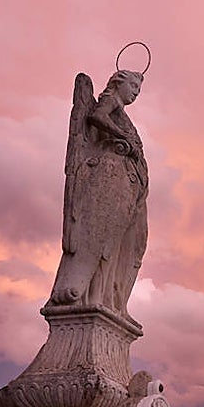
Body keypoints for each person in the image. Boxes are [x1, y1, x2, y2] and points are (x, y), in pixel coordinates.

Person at [48, 67, 149, 319]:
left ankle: (110, 298)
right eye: (133, 87)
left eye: (139, 90)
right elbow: (96, 117)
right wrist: (122, 135)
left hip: (130, 185)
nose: (136, 93)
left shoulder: (123, 112)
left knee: (127, 243)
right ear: (118, 83)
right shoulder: (110, 100)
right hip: (110, 177)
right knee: (102, 235)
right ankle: (89, 294)